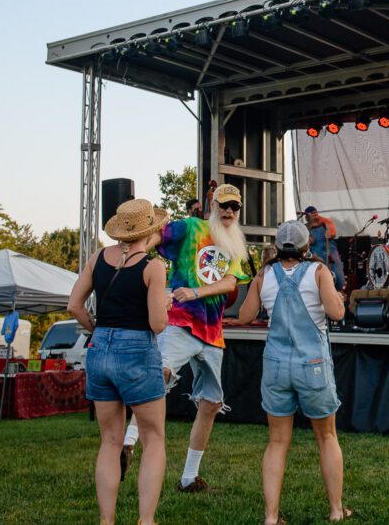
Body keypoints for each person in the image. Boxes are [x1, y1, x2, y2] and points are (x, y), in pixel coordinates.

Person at [122, 183, 250, 492]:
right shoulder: (190, 227)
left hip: (212, 332)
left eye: (235, 207)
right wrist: (137, 257)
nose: (230, 211)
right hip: (181, 321)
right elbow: (156, 235)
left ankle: (189, 478)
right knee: (160, 375)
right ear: (213, 206)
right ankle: (126, 445)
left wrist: (195, 291)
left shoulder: (232, 245)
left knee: (211, 403)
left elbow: (229, 283)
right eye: (225, 205)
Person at [239, 220, 351, 524]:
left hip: (275, 366)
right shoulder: (318, 272)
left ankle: (271, 516)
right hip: (312, 366)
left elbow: (246, 316)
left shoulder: (264, 275)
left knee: (276, 442)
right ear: (306, 246)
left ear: (277, 247)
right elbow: (337, 313)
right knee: (327, 437)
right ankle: (336, 510)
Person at [67, 198, 169, 525]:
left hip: (99, 349)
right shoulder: (153, 267)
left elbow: (74, 306)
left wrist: (98, 330)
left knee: (110, 441)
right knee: (153, 438)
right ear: (149, 229)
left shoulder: (98, 258)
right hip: (137, 349)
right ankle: (146, 520)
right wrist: (164, 302)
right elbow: (157, 324)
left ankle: (106, 520)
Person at [304, 206, 345, 291]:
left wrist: (328, 232)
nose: (315, 216)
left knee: (339, 279)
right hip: (316, 255)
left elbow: (332, 233)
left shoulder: (325, 222)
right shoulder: (305, 227)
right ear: (307, 216)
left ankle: (337, 293)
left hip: (330, 252)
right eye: (312, 214)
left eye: (316, 213)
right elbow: (309, 241)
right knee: (320, 279)